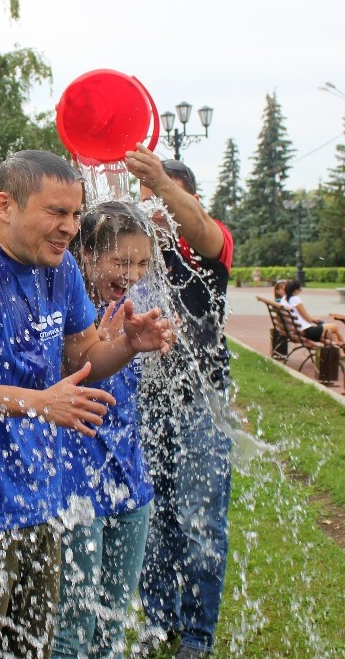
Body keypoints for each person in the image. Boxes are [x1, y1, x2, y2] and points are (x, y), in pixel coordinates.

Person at [0, 150, 174, 659]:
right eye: (56, 212)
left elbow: (82, 356)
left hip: (42, 502)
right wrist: (37, 403)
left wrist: (128, 345)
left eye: (76, 214)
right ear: (5, 205)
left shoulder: (60, 270)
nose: (70, 228)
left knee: (33, 649)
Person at [125, 151, 235, 659]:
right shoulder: (140, 258)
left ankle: (196, 635)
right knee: (155, 514)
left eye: (161, 202)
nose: (151, 213)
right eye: (144, 203)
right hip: (149, 401)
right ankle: (159, 619)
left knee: (199, 519)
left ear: (186, 199)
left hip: (200, 401)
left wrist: (161, 185)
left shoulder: (205, 249)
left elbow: (203, 229)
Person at [52, 201, 157, 659]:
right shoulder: (61, 305)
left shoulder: (133, 310)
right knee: (72, 625)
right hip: (74, 483)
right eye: (121, 261)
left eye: (142, 263)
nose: (132, 274)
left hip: (129, 478)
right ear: (88, 255)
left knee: (112, 620)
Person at [280, 280, 345, 347]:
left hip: (297, 329)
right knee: (334, 327)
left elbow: (302, 316)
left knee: (330, 334)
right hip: (307, 331)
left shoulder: (283, 300)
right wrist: (313, 319)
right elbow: (308, 319)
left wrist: (313, 319)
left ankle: (341, 349)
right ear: (295, 291)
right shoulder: (295, 299)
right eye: (300, 289)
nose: (301, 291)